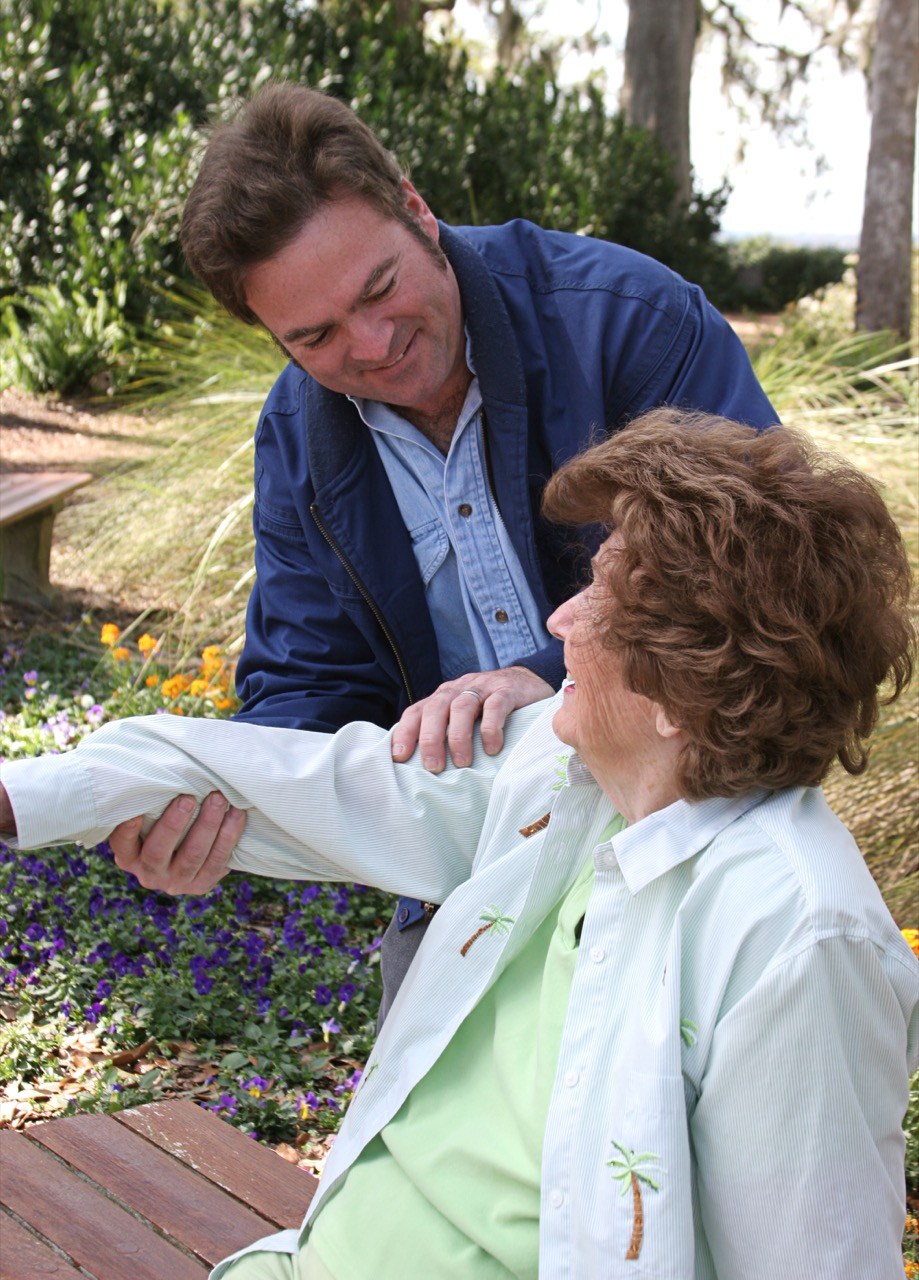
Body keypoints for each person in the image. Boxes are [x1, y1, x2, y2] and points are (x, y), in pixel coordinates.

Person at [2, 409, 916, 1279]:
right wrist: (18, 799)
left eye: (599, 595)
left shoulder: (796, 934)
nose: (557, 625)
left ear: (682, 690)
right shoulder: (568, 776)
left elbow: (817, 1262)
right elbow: (297, 782)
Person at [106, 83, 779, 1012]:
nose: (374, 346)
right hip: (470, 864)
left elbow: (760, 570)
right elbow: (310, 688)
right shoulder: (295, 436)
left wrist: (547, 674)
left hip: (704, 832)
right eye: (315, 336)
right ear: (271, 334)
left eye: (379, 290)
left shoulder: (630, 321)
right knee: (411, 1137)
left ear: (416, 210)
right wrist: (215, 798)